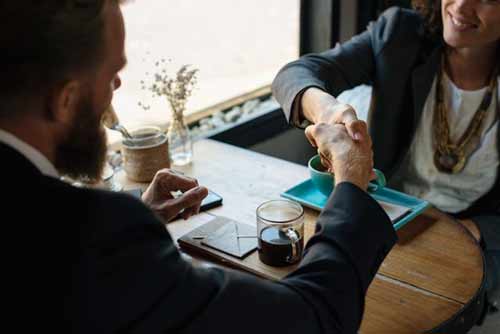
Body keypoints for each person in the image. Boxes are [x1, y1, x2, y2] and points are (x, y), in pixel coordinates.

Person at [0, 1, 397, 332]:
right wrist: (350, 180)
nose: (114, 91)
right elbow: (309, 319)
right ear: (65, 100)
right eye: (113, 75)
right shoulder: (94, 237)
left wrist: (139, 214)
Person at [272, 0, 499, 310]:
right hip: (388, 220)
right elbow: (295, 74)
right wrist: (328, 110)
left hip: (474, 238)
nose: (461, 5)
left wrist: (472, 231)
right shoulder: (400, 33)